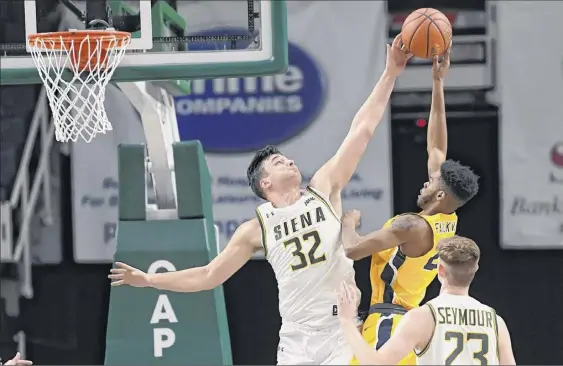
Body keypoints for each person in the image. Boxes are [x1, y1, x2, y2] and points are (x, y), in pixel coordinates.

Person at [108, 35, 412, 365]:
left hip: (340, 329)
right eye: (279, 162)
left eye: (289, 159)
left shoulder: (323, 189)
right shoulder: (256, 229)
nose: (290, 161)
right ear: (264, 182)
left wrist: (390, 75)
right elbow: (208, 275)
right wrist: (150, 279)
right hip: (296, 337)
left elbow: (361, 130)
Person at [341, 45, 481, 365]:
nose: (426, 182)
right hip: (406, 325)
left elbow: (352, 250)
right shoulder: (448, 218)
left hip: (387, 324)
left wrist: (349, 222)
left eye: (432, 183)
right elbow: (436, 146)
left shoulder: (411, 226)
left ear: (441, 195)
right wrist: (437, 82)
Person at [337, 235, 516, 365]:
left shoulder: (423, 317)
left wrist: (346, 321)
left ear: (440, 270)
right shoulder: (495, 322)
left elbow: (376, 364)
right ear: (475, 270)